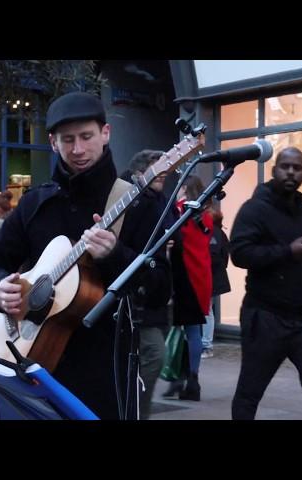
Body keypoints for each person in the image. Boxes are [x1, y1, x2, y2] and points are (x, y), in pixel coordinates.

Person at [0, 91, 172, 419]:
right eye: (67, 140)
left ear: (106, 133)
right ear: (52, 142)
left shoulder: (138, 203)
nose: (77, 149)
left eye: (86, 137)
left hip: (107, 376)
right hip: (33, 367)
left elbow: (161, 288)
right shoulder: (37, 204)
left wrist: (115, 254)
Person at [229, 147, 302, 420]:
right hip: (266, 319)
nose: (290, 172)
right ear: (274, 170)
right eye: (285, 166)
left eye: (296, 167)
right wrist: (286, 252)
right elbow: (240, 253)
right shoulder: (255, 209)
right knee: (250, 391)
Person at [121, 148, 175, 419]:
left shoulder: (160, 201)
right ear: (138, 174)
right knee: (154, 355)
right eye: (156, 170)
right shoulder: (132, 200)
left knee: (151, 357)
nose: (162, 176)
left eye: (164, 171)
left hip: (154, 294)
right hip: (136, 298)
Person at [163, 175, 213, 401]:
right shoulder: (206, 215)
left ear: (184, 188)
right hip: (201, 276)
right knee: (193, 331)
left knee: (175, 329)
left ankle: (179, 378)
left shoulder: (179, 211)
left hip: (182, 276)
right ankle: (191, 378)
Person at [201, 205, 231, 359]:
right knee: (207, 310)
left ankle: (206, 345)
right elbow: (225, 257)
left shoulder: (211, 233)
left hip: (208, 276)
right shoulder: (220, 234)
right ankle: (205, 344)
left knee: (206, 311)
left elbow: (214, 256)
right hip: (214, 277)